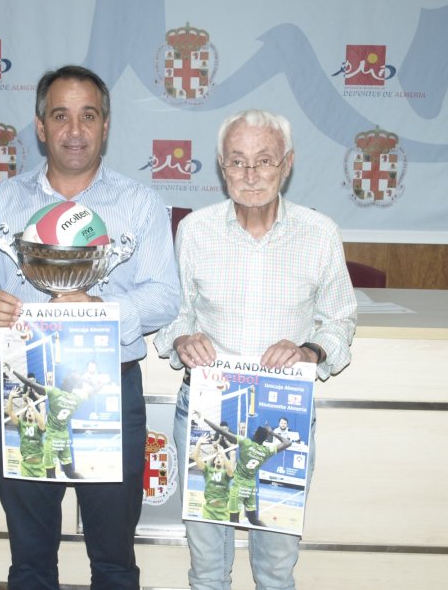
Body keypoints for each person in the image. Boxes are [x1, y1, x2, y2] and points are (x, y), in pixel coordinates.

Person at [0, 65, 179, 589]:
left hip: (110, 391)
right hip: (24, 386)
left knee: (114, 559)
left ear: (105, 126)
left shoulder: (140, 205)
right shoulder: (4, 201)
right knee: (30, 560)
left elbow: (166, 297)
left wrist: (100, 310)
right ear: (39, 126)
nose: (75, 131)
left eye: (88, 116)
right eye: (61, 116)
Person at [154, 109, 359, 589]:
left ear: (287, 163)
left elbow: (340, 322)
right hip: (207, 413)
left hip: (282, 416)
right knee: (207, 566)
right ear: (221, 167)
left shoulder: (319, 233)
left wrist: (310, 351)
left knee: (274, 566)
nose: (250, 176)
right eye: (237, 162)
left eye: (264, 161)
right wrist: (183, 338)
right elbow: (174, 313)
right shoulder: (195, 231)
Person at [197, 416, 291, 528]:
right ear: (264, 439)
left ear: (255, 435)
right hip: (251, 487)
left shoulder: (246, 443)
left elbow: (221, 431)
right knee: (253, 520)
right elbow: (287, 442)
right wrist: (272, 432)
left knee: (233, 522)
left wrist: (204, 419)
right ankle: (265, 533)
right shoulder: (267, 451)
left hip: (239, 486)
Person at [190, 432, 234, 522]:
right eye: (217, 458)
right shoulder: (207, 471)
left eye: (220, 458)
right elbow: (196, 457)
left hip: (223, 512)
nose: (218, 459)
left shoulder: (226, 473)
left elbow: (231, 470)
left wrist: (223, 454)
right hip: (209, 511)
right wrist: (199, 443)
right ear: (214, 461)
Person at [6, 386, 48, 479]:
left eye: (31, 411)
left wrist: (33, 406)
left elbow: (42, 422)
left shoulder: (38, 426)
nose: (29, 412)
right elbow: (10, 412)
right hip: (26, 467)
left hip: (39, 466)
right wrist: (10, 397)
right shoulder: (21, 425)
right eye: (28, 411)